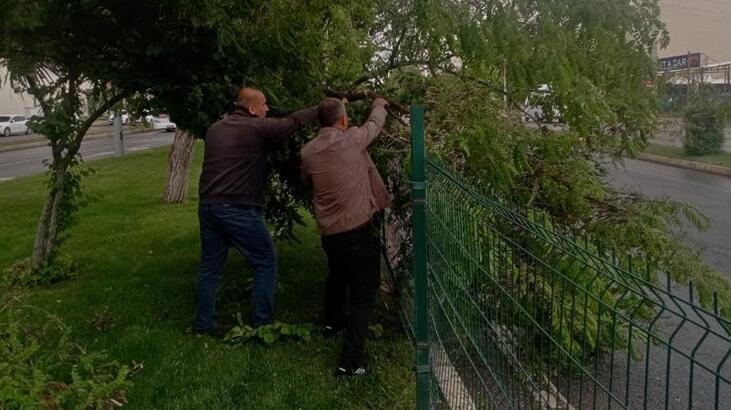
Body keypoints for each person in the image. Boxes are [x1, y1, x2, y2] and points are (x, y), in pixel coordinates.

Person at [195, 87, 318, 334]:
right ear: (251, 108)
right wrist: (320, 109)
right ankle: (262, 322)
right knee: (265, 261)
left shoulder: (215, 128)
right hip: (237, 207)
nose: (267, 109)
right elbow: (290, 124)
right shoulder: (254, 127)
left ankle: (203, 324)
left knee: (210, 268)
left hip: (208, 206)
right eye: (264, 105)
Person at [300, 97, 391, 376]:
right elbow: (375, 124)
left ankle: (332, 323)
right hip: (358, 232)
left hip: (331, 235)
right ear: (342, 121)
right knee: (364, 295)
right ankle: (350, 362)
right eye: (346, 116)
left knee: (337, 275)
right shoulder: (352, 140)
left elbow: (306, 182)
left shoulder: (307, 152)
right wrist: (379, 103)